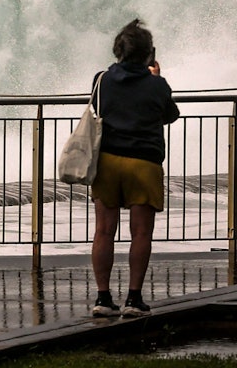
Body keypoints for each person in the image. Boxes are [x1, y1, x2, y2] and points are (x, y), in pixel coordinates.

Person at [90, 19, 179, 318]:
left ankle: (103, 299)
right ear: (149, 53)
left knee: (104, 231)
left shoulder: (101, 80)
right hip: (144, 163)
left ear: (118, 51)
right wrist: (156, 77)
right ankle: (134, 299)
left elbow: (99, 111)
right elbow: (170, 114)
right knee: (141, 233)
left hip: (107, 162)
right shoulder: (158, 85)